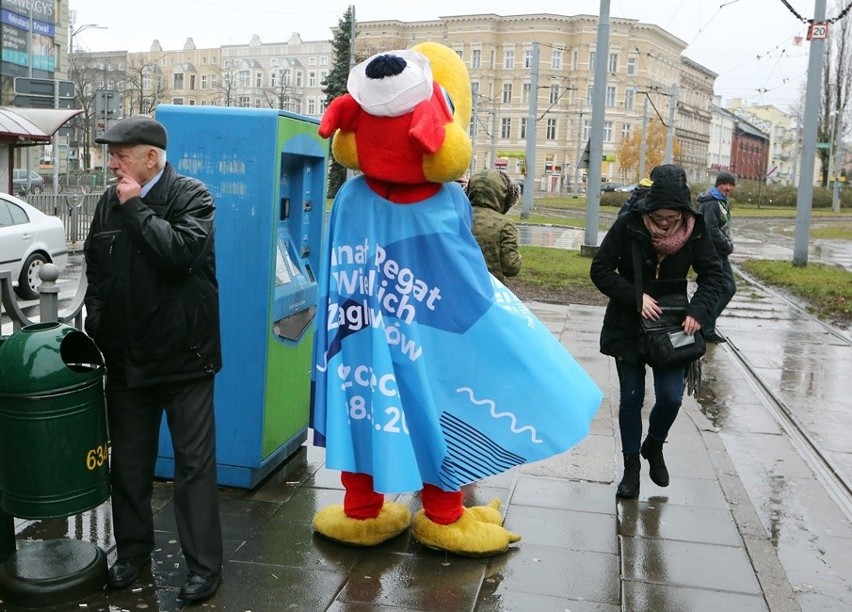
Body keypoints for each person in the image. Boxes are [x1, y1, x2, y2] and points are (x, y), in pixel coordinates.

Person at [83, 115, 223, 602]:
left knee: (194, 468)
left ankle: (204, 566)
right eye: (111, 155)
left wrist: (138, 210)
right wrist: (97, 322)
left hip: (185, 360)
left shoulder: (192, 197)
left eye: (121, 155)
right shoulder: (107, 203)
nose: (112, 163)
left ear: (151, 158)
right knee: (130, 466)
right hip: (128, 361)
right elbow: (96, 271)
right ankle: (133, 553)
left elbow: (180, 256)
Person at [590, 164, 723, 500]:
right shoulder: (629, 222)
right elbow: (601, 270)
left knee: (671, 397)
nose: (664, 223)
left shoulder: (696, 228)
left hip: (673, 326)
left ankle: (654, 444)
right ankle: (631, 468)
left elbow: (713, 276)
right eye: (658, 216)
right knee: (631, 399)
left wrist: (699, 311)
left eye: (671, 217)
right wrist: (636, 297)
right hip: (628, 324)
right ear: (648, 207)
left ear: (683, 212)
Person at [697, 171, 737, 343]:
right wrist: (726, 246)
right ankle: (705, 326)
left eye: (730, 184)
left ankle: (706, 326)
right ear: (717, 185)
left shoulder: (721, 201)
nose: (727, 187)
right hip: (714, 253)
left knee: (725, 288)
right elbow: (711, 230)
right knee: (723, 288)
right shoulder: (712, 203)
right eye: (724, 184)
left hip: (719, 252)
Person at [466, 168, 522, 282]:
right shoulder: (505, 225)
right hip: (490, 289)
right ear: (502, 193)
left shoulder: (457, 217)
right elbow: (511, 267)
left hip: (458, 286)